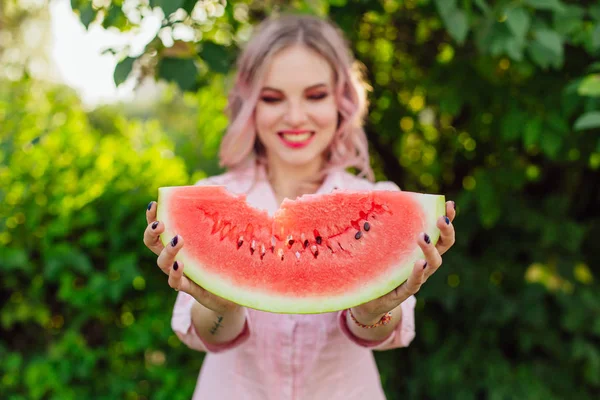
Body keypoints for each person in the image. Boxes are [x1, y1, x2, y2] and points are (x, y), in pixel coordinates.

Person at [143, 13, 456, 400]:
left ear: (342, 100)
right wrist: (221, 303)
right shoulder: (208, 198)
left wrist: (372, 311)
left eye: (315, 95)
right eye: (273, 98)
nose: (294, 117)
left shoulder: (384, 198)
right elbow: (210, 335)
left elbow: (375, 334)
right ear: (250, 105)